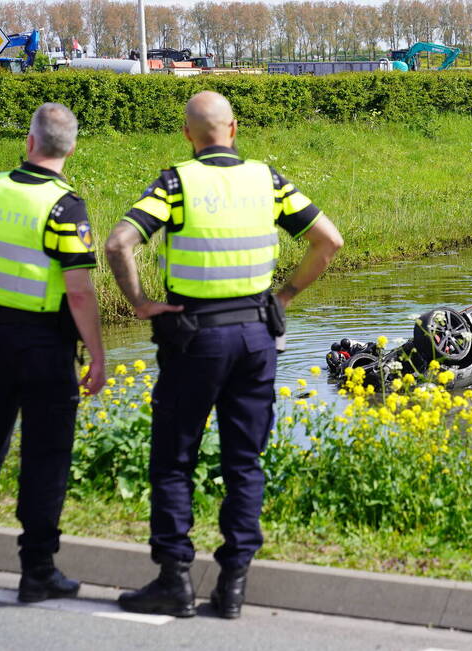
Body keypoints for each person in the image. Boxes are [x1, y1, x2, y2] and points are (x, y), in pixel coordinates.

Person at [105, 91, 343, 619]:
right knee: (244, 461)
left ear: (189, 135)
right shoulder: (269, 180)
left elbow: (120, 243)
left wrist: (141, 303)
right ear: (233, 129)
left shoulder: (175, 182)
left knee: (173, 460)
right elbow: (329, 240)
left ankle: (174, 580)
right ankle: (233, 584)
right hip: (257, 335)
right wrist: (285, 296)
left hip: (193, 339)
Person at [0, 103, 105, 603]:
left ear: (29, 141)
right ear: (72, 148)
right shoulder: (67, 207)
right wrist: (98, 354)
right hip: (44, 346)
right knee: (45, 458)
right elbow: (79, 290)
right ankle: (37, 571)